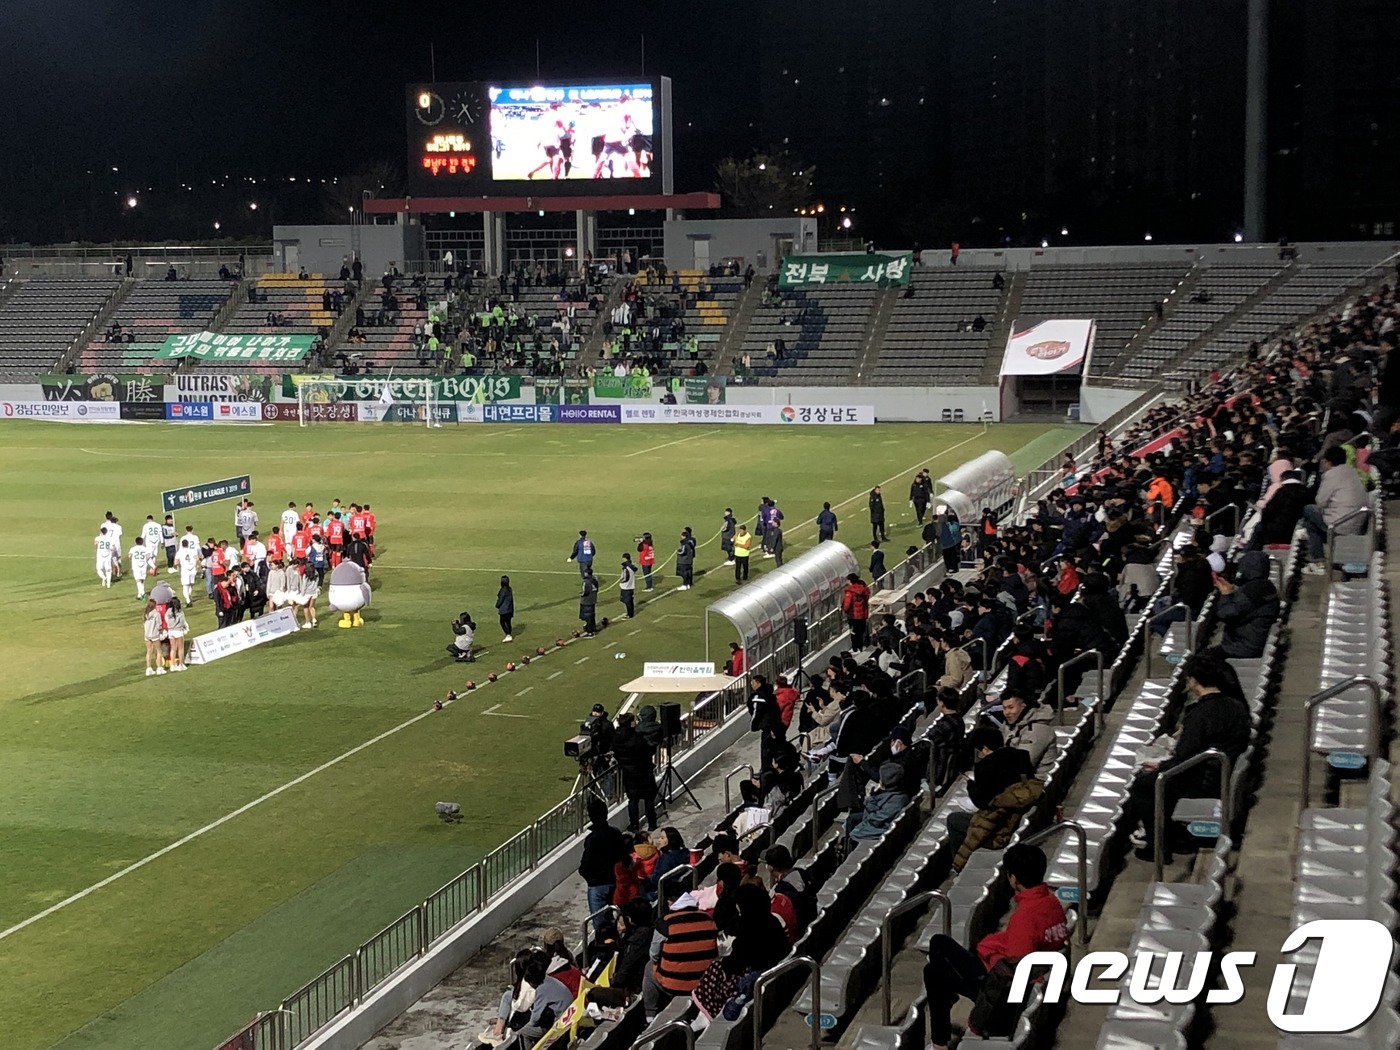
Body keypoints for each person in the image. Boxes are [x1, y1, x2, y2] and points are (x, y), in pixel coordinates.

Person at [921, 844, 1068, 1048]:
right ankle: (940, 1036)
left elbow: (1013, 972)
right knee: (937, 957)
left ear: (1014, 879)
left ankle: (939, 1041)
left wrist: (991, 956)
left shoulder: (1025, 916)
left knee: (935, 960)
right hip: (1021, 975)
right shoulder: (1052, 903)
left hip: (998, 990)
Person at [1127, 648, 1252, 861]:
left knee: (1142, 785)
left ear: (1194, 681)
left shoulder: (1200, 714)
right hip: (1218, 771)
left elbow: (1184, 755)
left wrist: (1159, 767)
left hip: (1205, 778)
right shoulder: (1237, 705)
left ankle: (1159, 846)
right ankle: (1176, 837)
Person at [946, 726, 1035, 861]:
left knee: (953, 819)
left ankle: (959, 865)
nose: (979, 755)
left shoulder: (987, 766)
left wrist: (971, 785)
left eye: (979, 751)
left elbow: (981, 802)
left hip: (1000, 828)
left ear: (985, 749)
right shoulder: (1022, 756)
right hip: (1020, 813)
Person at [644, 882, 720, 1020]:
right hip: (704, 981)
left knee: (649, 967)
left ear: (669, 901)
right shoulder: (708, 918)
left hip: (674, 984)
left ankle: (650, 1015)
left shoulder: (666, 922)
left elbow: (653, 954)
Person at [1302, 444, 1369, 574]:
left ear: (1328, 462)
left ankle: (1318, 561)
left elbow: (1320, 502)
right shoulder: (1352, 471)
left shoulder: (1331, 475)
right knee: (1311, 524)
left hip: (1340, 524)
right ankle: (1317, 560)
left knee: (1308, 510)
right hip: (1357, 522)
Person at [1214, 553, 1280, 658]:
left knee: (1202, 661)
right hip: (1257, 640)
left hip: (1244, 645)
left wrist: (1225, 595)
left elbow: (1225, 613)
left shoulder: (1251, 592)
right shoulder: (1267, 586)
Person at [580, 797, 630, 929]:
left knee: (600, 925)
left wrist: (590, 877)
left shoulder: (593, 839)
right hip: (614, 881)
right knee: (614, 920)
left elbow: (585, 864)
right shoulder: (615, 834)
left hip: (598, 884)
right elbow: (624, 858)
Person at [614, 711, 658, 832]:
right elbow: (647, 751)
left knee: (633, 800)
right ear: (631, 723)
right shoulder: (637, 738)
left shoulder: (617, 737)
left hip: (628, 774)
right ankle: (652, 823)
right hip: (642, 771)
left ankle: (634, 825)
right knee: (649, 798)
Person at [763, 844, 815, 942]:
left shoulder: (780, 891)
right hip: (809, 926)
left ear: (770, 868)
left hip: (796, 935)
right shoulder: (803, 873)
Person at [996, 693, 1058, 768]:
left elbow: (1022, 765)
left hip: (1035, 778)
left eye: (1011, 707)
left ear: (1023, 706)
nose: (1006, 713)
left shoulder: (1037, 729)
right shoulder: (1011, 724)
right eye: (1004, 708)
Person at [841, 574, 872, 649]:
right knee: (862, 630)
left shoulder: (850, 592)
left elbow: (847, 605)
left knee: (854, 632)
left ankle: (856, 647)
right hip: (863, 614)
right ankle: (864, 644)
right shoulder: (863, 589)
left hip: (853, 615)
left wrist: (844, 610)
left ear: (850, 580)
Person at [142, 599, 167, 676]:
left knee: (149, 651)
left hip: (147, 635)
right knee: (159, 651)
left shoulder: (145, 614)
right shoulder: (156, 614)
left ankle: (148, 669)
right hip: (155, 634)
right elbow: (159, 624)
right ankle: (159, 668)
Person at [165, 596, 189, 671]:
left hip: (171, 631)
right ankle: (181, 664)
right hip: (178, 631)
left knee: (173, 648)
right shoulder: (180, 612)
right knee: (180, 649)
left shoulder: (168, 612)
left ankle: (173, 665)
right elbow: (182, 622)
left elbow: (166, 620)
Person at [128, 536, 153, 600]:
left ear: (136, 542)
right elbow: (148, 557)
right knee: (141, 579)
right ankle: (140, 594)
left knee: (138, 580)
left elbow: (129, 556)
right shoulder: (145, 548)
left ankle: (142, 593)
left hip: (136, 565)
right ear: (142, 542)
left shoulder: (133, 549)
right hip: (143, 565)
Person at [579, 567, 599, 636]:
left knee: (587, 616)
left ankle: (589, 631)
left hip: (586, 601)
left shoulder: (586, 582)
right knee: (592, 616)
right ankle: (593, 628)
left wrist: (581, 594)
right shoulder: (595, 580)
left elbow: (585, 592)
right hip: (593, 600)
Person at [496, 576, 515, 641]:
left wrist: (497, 605)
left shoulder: (503, 590)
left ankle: (508, 634)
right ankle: (509, 634)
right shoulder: (509, 589)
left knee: (502, 622)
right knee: (508, 622)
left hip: (504, 610)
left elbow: (500, 599)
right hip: (509, 609)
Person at [619, 553, 637, 619]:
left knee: (627, 601)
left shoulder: (627, 568)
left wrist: (621, 581)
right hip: (630, 586)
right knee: (629, 601)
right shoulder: (631, 566)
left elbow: (626, 577)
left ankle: (629, 614)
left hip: (626, 586)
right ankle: (630, 613)